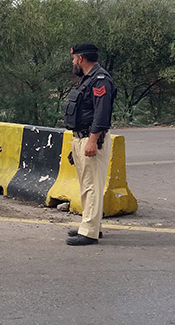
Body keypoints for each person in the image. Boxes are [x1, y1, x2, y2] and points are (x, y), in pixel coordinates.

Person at [63, 43, 116, 246]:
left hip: (92, 138)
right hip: (81, 137)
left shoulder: (100, 80)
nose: (73, 62)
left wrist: (92, 140)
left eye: (74, 59)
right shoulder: (88, 80)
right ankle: (90, 224)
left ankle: (89, 232)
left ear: (81, 59)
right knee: (87, 186)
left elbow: (101, 113)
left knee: (92, 186)